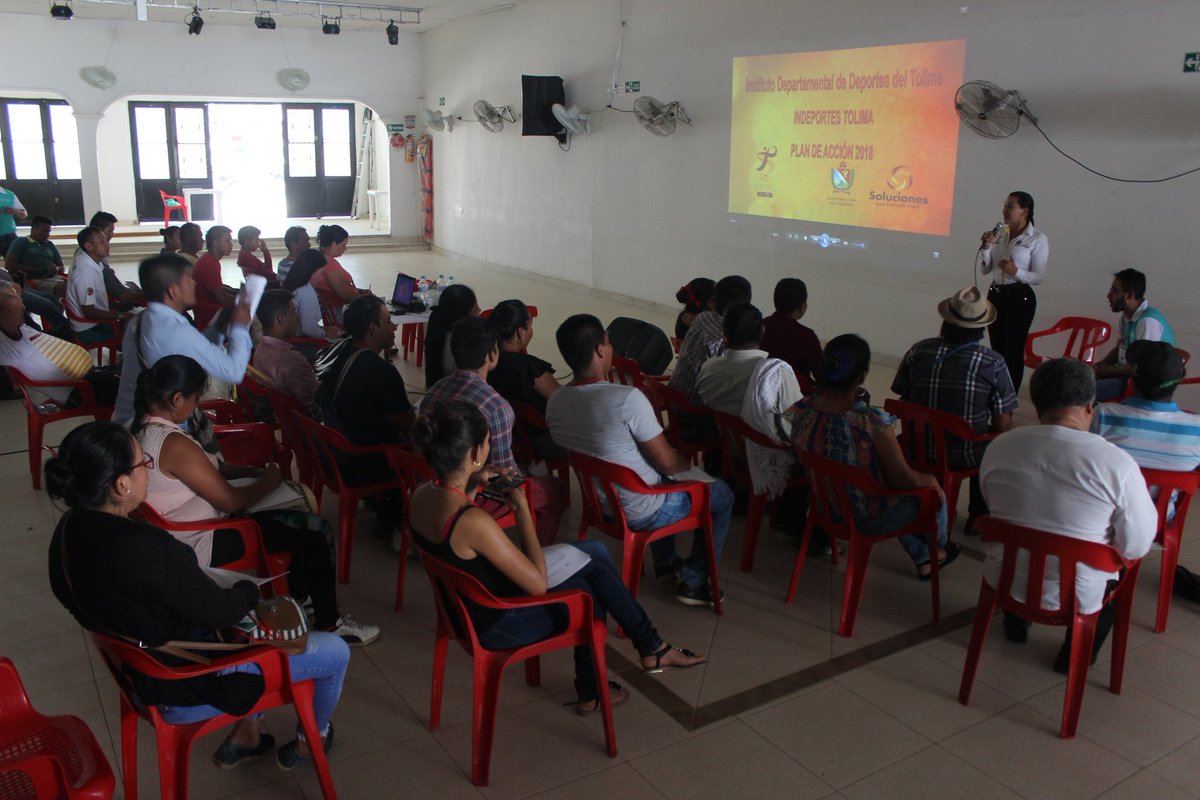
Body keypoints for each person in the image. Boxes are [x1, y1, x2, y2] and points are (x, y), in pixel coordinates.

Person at [45, 420, 350, 770]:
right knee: (333, 652)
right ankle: (312, 739)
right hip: (185, 681)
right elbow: (219, 613)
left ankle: (245, 736)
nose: (148, 470)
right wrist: (249, 588)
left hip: (138, 670)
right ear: (121, 484)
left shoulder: (66, 537)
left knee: (253, 625)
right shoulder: (149, 548)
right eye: (144, 464)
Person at [409, 401, 706, 713]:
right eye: (486, 443)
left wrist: (475, 480)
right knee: (589, 593)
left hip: (463, 609)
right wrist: (522, 508)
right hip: (496, 622)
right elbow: (537, 584)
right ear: (474, 455)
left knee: (594, 554)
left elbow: (458, 533)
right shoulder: (472, 522)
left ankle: (650, 647)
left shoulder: (422, 494)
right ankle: (600, 685)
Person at [132, 355, 379, 647]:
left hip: (179, 534)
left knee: (295, 522)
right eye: (195, 400)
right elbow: (231, 501)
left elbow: (209, 468)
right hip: (202, 539)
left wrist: (249, 471)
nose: (196, 407)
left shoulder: (140, 430)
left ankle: (303, 598)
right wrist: (268, 483)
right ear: (177, 399)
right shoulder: (173, 443)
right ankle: (330, 622)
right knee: (316, 530)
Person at [980, 357, 1156, 672]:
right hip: (1078, 595)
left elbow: (991, 502)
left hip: (1003, 578)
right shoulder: (1116, 463)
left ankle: (1016, 626)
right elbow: (1137, 546)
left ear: (1036, 406)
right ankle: (1076, 655)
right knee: (1123, 572)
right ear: (1091, 406)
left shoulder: (1000, 447)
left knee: (1021, 533)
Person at [547, 314, 736, 606]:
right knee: (721, 494)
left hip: (599, 504)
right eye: (608, 342)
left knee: (655, 475)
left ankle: (666, 563)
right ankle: (696, 580)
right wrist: (689, 467)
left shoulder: (556, 402)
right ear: (600, 350)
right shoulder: (626, 399)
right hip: (640, 508)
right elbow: (668, 464)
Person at [787, 334, 956, 579]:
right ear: (862, 376)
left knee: (879, 480)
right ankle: (936, 550)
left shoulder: (802, 408)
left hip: (821, 506)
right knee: (929, 491)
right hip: (865, 518)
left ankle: (922, 555)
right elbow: (904, 481)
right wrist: (931, 481)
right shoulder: (871, 423)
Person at [424, 315, 569, 546]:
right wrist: (530, 474)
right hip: (475, 492)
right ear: (492, 355)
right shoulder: (495, 406)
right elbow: (505, 474)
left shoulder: (435, 391)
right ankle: (534, 555)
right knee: (555, 489)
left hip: (435, 484)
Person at [891, 287, 1017, 534]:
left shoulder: (919, 350)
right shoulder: (993, 362)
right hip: (961, 454)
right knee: (996, 445)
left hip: (914, 446)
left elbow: (902, 395)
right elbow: (1002, 424)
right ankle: (978, 516)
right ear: (981, 328)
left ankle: (918, 503)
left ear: (945, 321)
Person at [316, 295, 413, 543]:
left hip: (332, 453)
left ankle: (380, 504)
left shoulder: (337, 351)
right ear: (373, 328)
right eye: (389, 321)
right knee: (418, 447)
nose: (394, 327)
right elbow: (409, 424)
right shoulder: (381, 372)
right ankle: (396, 523)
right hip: (359, 460)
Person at [114, 254, 252, 425]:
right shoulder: (172, 331)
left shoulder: (144, 319)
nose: (194, 283)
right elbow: (234, 372)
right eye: (188, 279)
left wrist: (218, 325)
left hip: (131, 420)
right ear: (173, 290)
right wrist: (240, 326)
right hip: (154, 432)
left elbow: (193, 349)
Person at [1091, 342, 1200, 477]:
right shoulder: (1197, 429)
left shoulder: (1104, 415)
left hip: (1111, 497)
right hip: (1165, 498)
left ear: (1133, 378)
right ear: (1182, 375)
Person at [978, 191, 1049, 391]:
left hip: (1019, 297)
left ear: (1024, 211)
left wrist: (1015, 271)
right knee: (997, 350)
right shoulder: (1001, 234)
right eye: (1005, 205)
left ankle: (1009, 398)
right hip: (996, 294)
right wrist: (986, 247)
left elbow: (1038, 277)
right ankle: (996, 394)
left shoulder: (1037, 239)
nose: (1005, 210)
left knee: (1013, 350)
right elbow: (985, 269)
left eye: (1010, 206)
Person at [0, 287, 119, 406]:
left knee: (132, 369)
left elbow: (14, 286)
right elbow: (11, 301)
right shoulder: (7, 340)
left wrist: (14, 294)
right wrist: (15, 298)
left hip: (94, 378)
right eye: (21, 304)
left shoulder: (20, 328)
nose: (24, 307)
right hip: (84, 391)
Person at [485, 299, 563, 462]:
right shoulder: (527, 366)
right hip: (539, 438)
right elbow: (563, 399)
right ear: (520, 332)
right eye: (530, 326)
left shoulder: (487, 360)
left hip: (512, 434)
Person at [696, 302, 801, 417]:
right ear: (763, 331)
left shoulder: (708, 367)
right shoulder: (778, 376)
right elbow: (799, 420)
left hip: (716, 433)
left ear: (724, 337)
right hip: (755, 435)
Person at [1093, 268, 1176, 402]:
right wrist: (1097, 367)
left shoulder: (1147, 321)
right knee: (1077, 380)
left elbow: (1143, 369)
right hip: (1124, 375)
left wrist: (1108, 370)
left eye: (1114, 291)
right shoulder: (1126, 317)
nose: (1108, 295)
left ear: (1130, 295)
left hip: (1142, 383)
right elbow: (1118, 350)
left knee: (1082, 391)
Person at [669, 275, 752, 403]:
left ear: (713, 300)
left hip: (674, 397)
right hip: (695, 411)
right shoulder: (722, 338)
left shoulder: (701, 317)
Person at [66, 225, 132, 343]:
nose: (107, 244)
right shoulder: (85, 273)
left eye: (106, 240)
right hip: (89, 329)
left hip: (95, 320)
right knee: (135, 330)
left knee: (131, 315)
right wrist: (121, 315)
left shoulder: (88, 259)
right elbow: (89, 313)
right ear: (88, 246)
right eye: (101, 241)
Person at [253, 289, 318, 408]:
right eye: (293, 312)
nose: (297, 318)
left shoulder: (261, 348)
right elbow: (315, 403)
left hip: (278, 411)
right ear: (281, 319)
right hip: (299, 420)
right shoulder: (293, 361)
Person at [760, 277, 822, 391]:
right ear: (801, 306)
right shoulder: (806, 336)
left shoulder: (759, 326)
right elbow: (822, 376)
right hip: (795, 398)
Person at [81, 212, 143, 307]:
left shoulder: (87, 253)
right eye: (110, 231)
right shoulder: (92, 261)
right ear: (99, 232)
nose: (112, 235)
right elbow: (123, 296)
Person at [423, 283, 479, 387]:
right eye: (475, 309)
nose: (479, 311)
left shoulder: (437, 330)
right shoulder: (463, 344)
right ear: (463, 318)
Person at [311, 225, 364, 324]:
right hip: (340, 313)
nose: (345, 249)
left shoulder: (320, 258)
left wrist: (359, 291)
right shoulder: (330, 264)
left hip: (331, 313)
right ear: (334, 244)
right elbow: (344, 294)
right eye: (343, 246)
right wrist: (363, 295)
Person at [192, 225, 238, 329]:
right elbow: (223, 299)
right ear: (216, 243)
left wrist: (237, 292)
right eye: (227, 241)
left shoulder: (209, 260)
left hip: (207, 311)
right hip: (210, 314)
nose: (231, 245)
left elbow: (218, 287)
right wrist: (244, 300)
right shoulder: (209, 263)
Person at [5, 215, 64, 295]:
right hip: (32, 280)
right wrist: (39, 270)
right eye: (44, 230)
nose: (47, 234)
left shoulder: (49, 244)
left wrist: (56, 269)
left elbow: (61, 265)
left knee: (78, 284)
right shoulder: (21, 242)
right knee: (64, 288)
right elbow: (9, 265)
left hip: (53, 277)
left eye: (48, 231)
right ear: (33, 228)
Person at [281, 248, 328, 341]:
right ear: (310, 271)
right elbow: (309, 329)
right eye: (320, 274)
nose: (321, 279)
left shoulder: (292, 284)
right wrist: (325, 335)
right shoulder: (306, 291)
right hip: (302, 342)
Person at [0, 183, 28, 256]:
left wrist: (14, 211)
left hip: (9, 236)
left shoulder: (9, 194)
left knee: (14, 263)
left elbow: (24, 214)